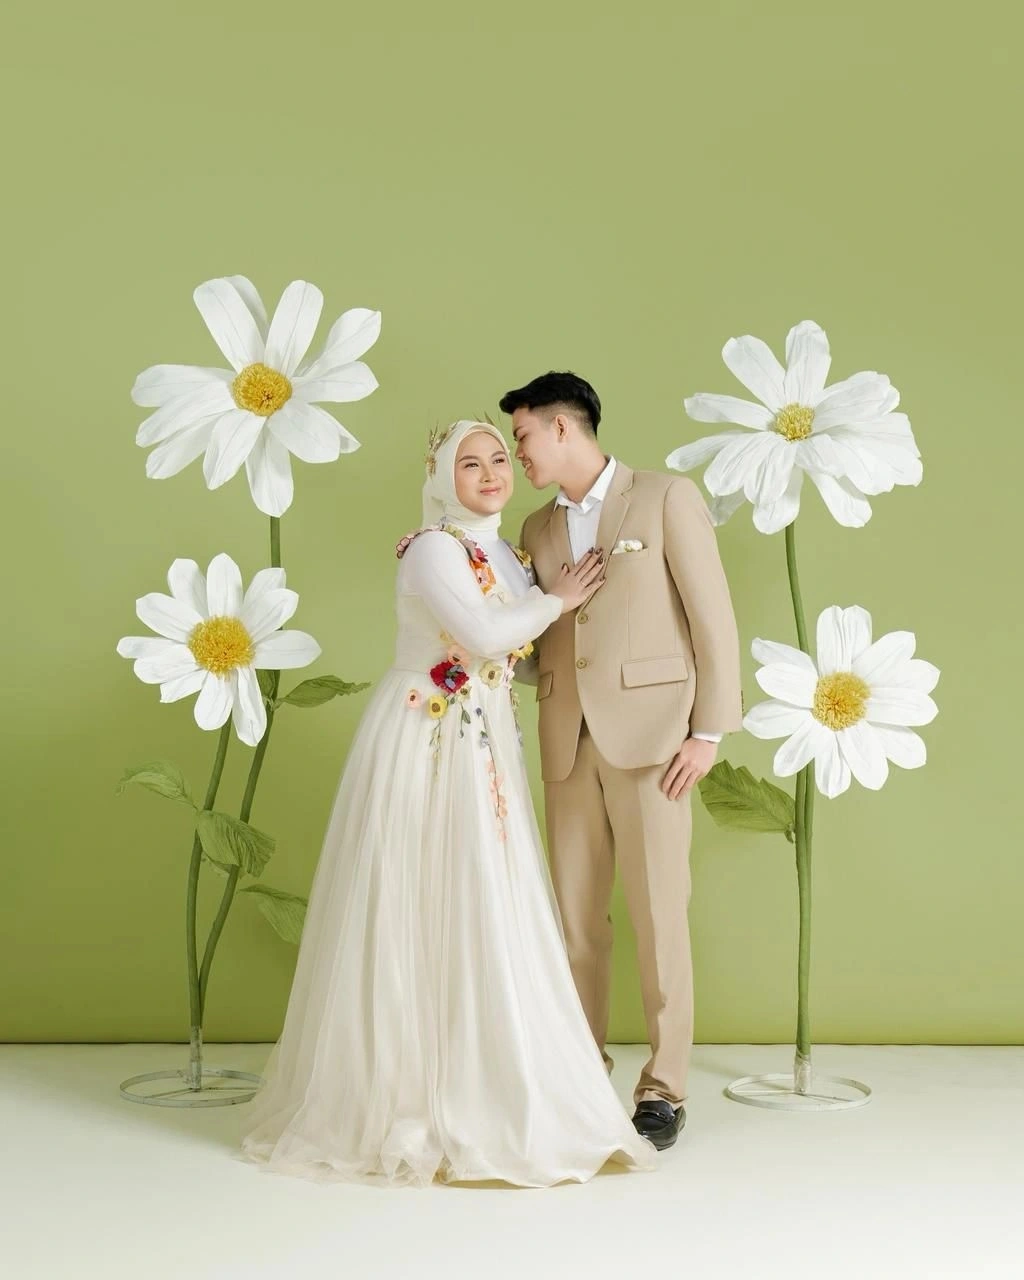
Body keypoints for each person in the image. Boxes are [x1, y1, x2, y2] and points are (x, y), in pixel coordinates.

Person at [239, 419, 656, 1187]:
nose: (492, 472)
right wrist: (558, 599)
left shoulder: (506, 555)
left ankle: (494, 1081)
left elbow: (516, 655)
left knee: (484, 892)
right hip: (425, 738)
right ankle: (409, 1093)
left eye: (500, 458)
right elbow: (484, 634)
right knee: (421, 893)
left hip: (482, 738)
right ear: (441, 478)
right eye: (471, 463)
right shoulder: (433, 549)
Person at [502, 372, 743, 1151]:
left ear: (563, 427)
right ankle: (581, 1077)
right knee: (576, 923)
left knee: (659, 915)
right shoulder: (536, 527)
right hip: (566, 739)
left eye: (523, 436)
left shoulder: (665, 498)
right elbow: (549, 639)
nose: (517, 453)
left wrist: (709, 732)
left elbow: (712, 620)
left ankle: (664, 1090)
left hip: (655, 740)